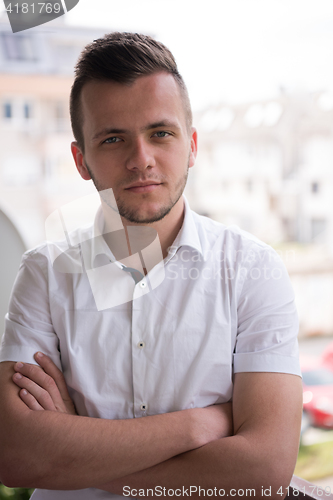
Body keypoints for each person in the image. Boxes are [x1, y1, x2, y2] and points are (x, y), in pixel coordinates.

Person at [0, 32, 302, 499]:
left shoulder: (253, 270)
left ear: (193, 145)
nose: (141, 159)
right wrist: (198, 425)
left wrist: (72, 450)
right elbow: (17, 455)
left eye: (160, 133)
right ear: (82, 160)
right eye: (113, 138)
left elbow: (264, 471)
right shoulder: (43, 274)